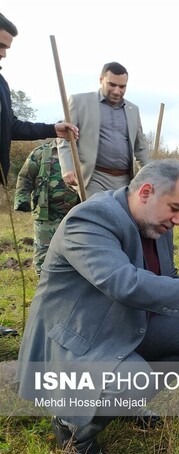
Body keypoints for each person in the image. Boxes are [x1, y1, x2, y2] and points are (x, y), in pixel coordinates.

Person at [16, 159, 179, 454]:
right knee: (136, 377)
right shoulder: (91, 218)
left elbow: (167, 274)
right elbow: (122, 282)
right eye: (175, 208)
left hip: (124, 322)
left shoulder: (156, 223)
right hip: (78, 336)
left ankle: (123, 402)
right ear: (146, 192)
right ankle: (71, 426)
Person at [0, 12, 78, 338]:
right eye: (0, 45)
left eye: (6, 48)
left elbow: (12, 126)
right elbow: (27, 177)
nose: (4, 54)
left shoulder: (0, 83)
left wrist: (53, 128)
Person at [58, 61, 149, 198]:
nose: (117, 91)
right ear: (101, 80)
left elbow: (140, 148)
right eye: (112, 85)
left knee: (121, 218)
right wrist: (68, 168)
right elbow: (65, 139)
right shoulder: (79, 102)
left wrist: (151, 174)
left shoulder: (133, 110)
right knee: (98, 215)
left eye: (122, 86)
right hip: (94, 177)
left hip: (125, 180)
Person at [14, 140, 79, 275]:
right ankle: (43, 285)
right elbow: (25, 177)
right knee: (44, 255)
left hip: (77, 214)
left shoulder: (82, 152)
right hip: (47, 214)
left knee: (77, 253)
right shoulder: (41, 152)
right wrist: (22, 200)